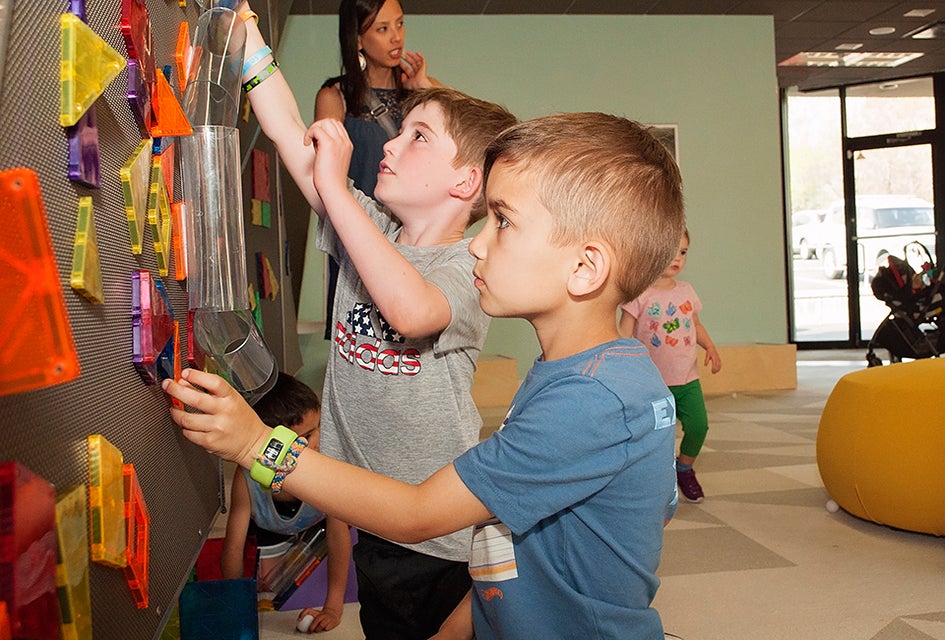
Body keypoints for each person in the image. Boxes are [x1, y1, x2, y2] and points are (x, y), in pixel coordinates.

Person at [164, 111, 685, 639]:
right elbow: (519, 541)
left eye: (503, 222)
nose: (479, 244)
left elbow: (417, 513)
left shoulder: (591, 402)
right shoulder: (596, 373)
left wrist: (258, 446)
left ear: (585, 267)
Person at [234, 7, 518, 636]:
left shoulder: (468, 270)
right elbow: (286, 132)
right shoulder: (369, 227)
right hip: (373, 519)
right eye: (399, 130)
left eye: (418, 137)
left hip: (441, 538)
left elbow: (411, 309)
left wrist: (335, 191)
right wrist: (247, 36)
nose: (389, 143)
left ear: (466, 181)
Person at [314, 0, 442, 342]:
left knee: (417, 334)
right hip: (360, 233)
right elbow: (324, 172)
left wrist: (426, 87)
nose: (396, 38)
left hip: (418, 237)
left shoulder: (423, 90)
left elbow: (472, 135)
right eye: (382, 29)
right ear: (357, 39)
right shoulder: (335, 95)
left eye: (399, 24)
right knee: (362, 340)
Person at [220, 371, 351, 634]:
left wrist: (333, 607)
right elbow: (233, 546)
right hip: (272, 527)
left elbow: (338, 535)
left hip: (317, 524)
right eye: (300, 440)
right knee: (270, 587)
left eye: (315, 431)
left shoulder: (329, 465)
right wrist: (237, 606)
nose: (313, 445)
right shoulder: (248, 479)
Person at [619, 230, 722, 503]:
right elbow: (623, 333)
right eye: (671, 251)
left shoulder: (686, 291)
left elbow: (695, 325)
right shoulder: (639, 294)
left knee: (699, 426)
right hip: (652, 384)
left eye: (683, 252)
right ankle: (655, 482)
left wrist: (709, 346)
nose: (678, 258)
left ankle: (684, 468)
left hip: (688, 379)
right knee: (655, 438)